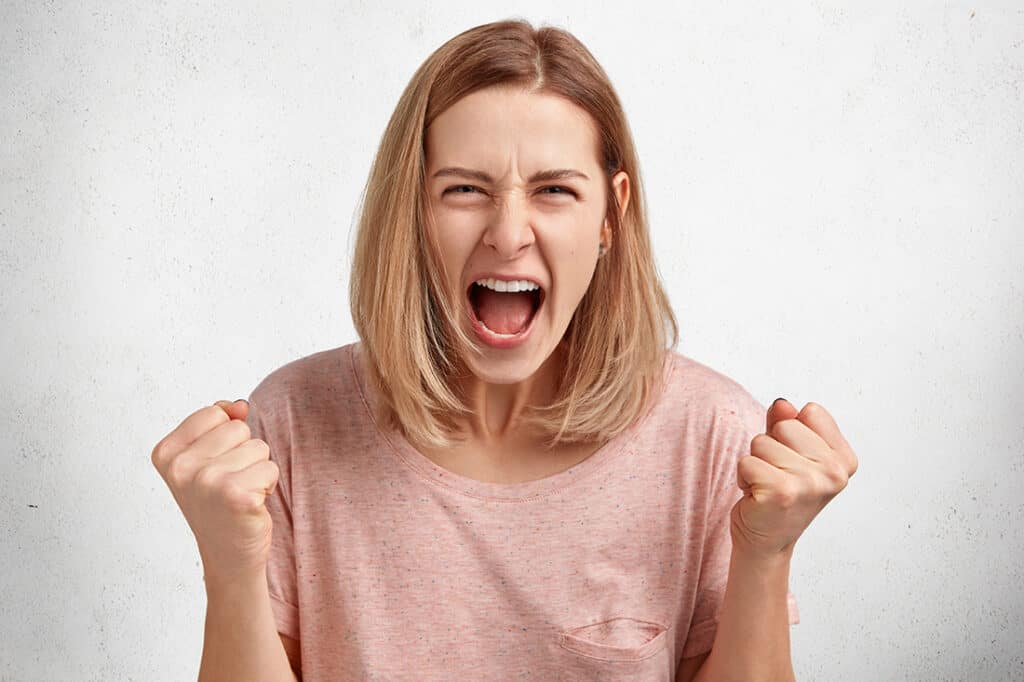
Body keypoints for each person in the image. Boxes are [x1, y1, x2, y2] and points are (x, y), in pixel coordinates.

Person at [151, 18, 858, 682]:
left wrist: (765, 554)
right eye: (464, 189)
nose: (509, 233)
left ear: (612, 214)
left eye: (554, 190)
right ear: (413, 210)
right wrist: (229, 564)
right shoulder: (294, 424)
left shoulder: (712, 437)